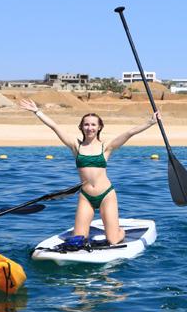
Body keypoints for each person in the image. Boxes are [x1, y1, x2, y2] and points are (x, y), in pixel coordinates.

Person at [18, 98, 159, 245]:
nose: (89, 128)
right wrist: (37, 111)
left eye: (93, 125)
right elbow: (55, 126)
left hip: (106, 196)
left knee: (113, 239)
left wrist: (150, 122)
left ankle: (120, 231)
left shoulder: (106, 147)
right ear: (81, 127)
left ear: (99, 127)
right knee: (79, 240)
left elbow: (130, 132)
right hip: (86, 197)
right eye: (86, 124)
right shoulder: (76, 146)